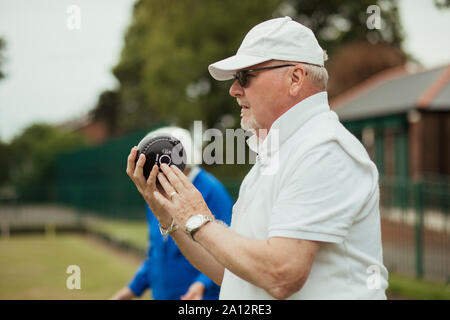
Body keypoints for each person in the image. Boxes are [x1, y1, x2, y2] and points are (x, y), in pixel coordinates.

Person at [126, 16, 388, 299]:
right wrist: (171, 216)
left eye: (245, 76)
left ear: (295, 78)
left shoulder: (324, 149)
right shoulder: (282, 151)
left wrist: (198, 219)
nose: (234, 89)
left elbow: (281, 274)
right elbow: (234, 273)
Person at [113, 126, 233, 300]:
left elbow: (227, 250)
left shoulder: (211, 190)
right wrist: (131, 290)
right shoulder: (157, 191)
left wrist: (203, 283)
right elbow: (156, 250)